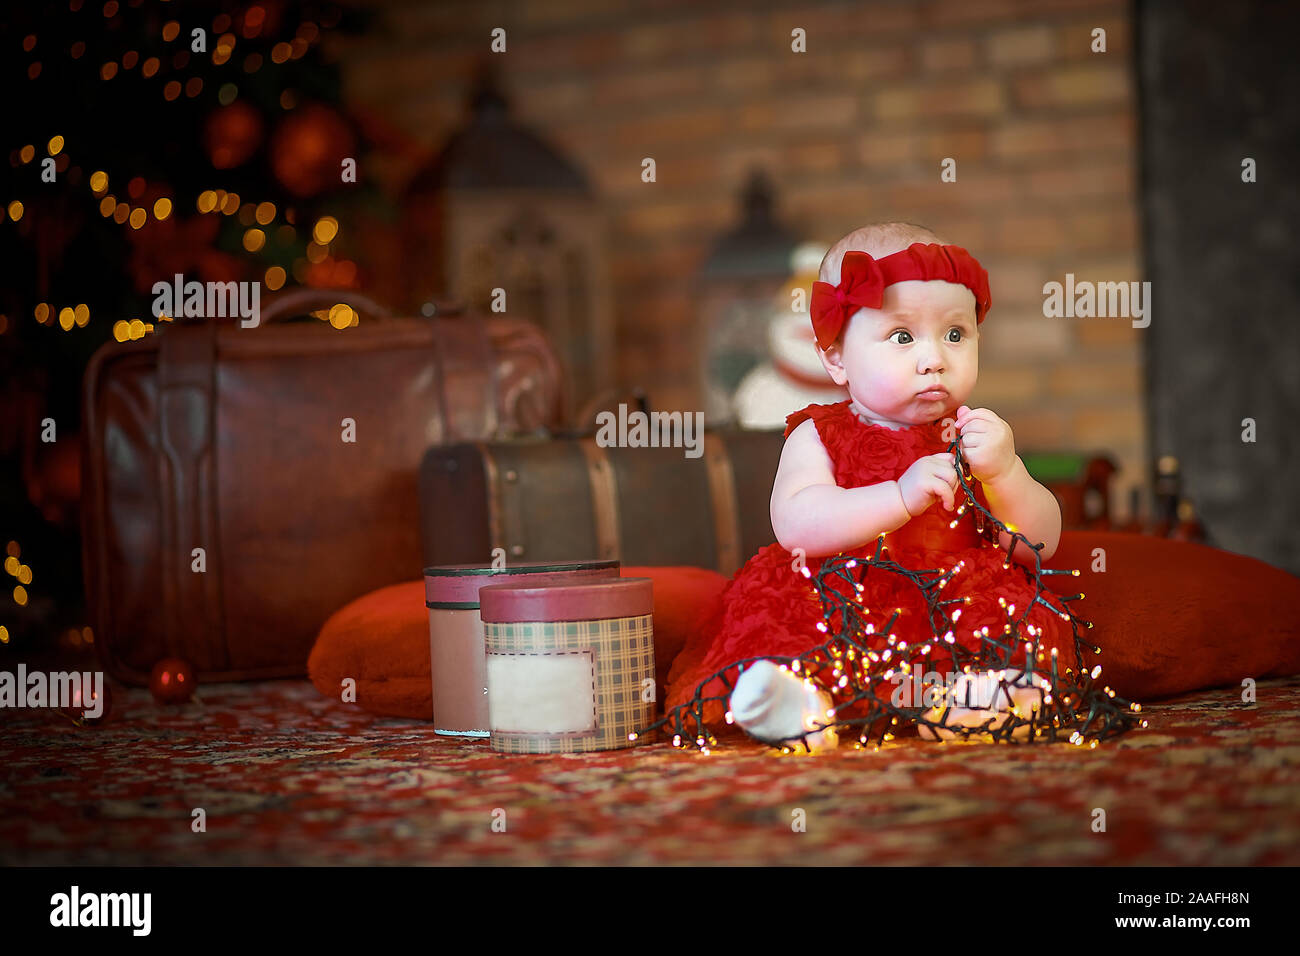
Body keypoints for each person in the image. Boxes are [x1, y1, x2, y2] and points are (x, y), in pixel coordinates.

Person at [664, 222, 1066, 749]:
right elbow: (796, 524)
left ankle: (973, 700)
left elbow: (1037, 546)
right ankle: (799, 703)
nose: (934, 359)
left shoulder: (974, 436)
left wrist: (1006, 473)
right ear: (835, 357)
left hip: (951, 604)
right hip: (843, 598)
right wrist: (898, 497)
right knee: (790, 633)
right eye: (902, 336)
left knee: (1019, 630)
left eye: (955, 334)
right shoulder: (818, 433)